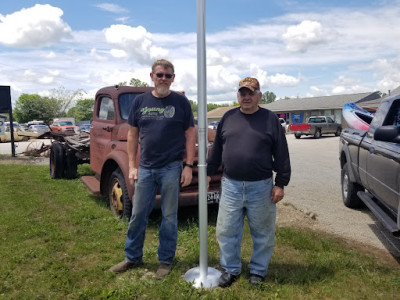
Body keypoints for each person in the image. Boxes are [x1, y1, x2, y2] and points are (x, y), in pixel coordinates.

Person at [109, 59, 196, 279]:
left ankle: (165, 261)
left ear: (173, 78)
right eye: (160, 75)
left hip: (171, 167)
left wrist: (188, 166)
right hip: (145, 168)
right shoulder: (140, 102)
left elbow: (190, 134)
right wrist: (131, 166)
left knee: (169, 216)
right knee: (138, 214)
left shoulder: (181, 102)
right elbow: (132, 135)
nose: (164, 79)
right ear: (152, 76)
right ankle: (132, 257)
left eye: (168, 75)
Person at [207, 77, 291, 287]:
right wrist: (208, 173)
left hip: (261, 187)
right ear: (238, 96)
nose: (246, 97)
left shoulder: (270, 119)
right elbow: (216, 149)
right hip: (231, 186)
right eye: (242, 93)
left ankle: (258, 271)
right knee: (226, 230)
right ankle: (230, 269)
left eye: (250, 93)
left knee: (262, 231)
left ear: (259, 96)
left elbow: (282, 153)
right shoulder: (228, 117)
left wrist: (280, 183)